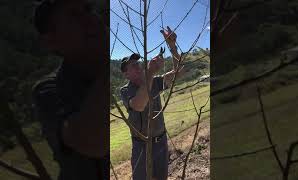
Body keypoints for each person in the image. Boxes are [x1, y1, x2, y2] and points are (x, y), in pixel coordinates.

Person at [31, 0, 108, 179]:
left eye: (88, 9)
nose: (90, 18)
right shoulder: (49, 89)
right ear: (50, 41)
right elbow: (93, 142)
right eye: (74, 15)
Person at [120, 26, 184, 180]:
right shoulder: (125, 91)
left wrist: (173, 47)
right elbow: (139, 105)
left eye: (138, 63)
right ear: (126, 74)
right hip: (141, 146)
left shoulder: (154, 81)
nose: (138, 66)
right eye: (133, 65)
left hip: (161, 142)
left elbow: (179, 72)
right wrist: (150, 72)